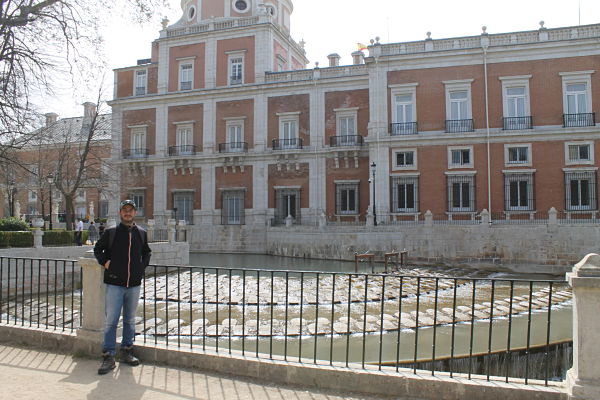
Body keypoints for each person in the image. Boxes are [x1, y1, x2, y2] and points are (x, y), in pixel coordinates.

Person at [93, 200, 151, 375]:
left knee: (130, 320)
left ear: (135, 213)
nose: (128, 213)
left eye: (130, 210)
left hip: (133, 284)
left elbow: (146, 252)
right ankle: (108, 355)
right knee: (111, 320)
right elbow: (98, 249)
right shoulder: (111, 232)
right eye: (125, 210)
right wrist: (106, 262)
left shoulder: (141, 233)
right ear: (120, 213)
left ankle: (127, 350)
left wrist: (141, 268)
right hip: (114, 283)